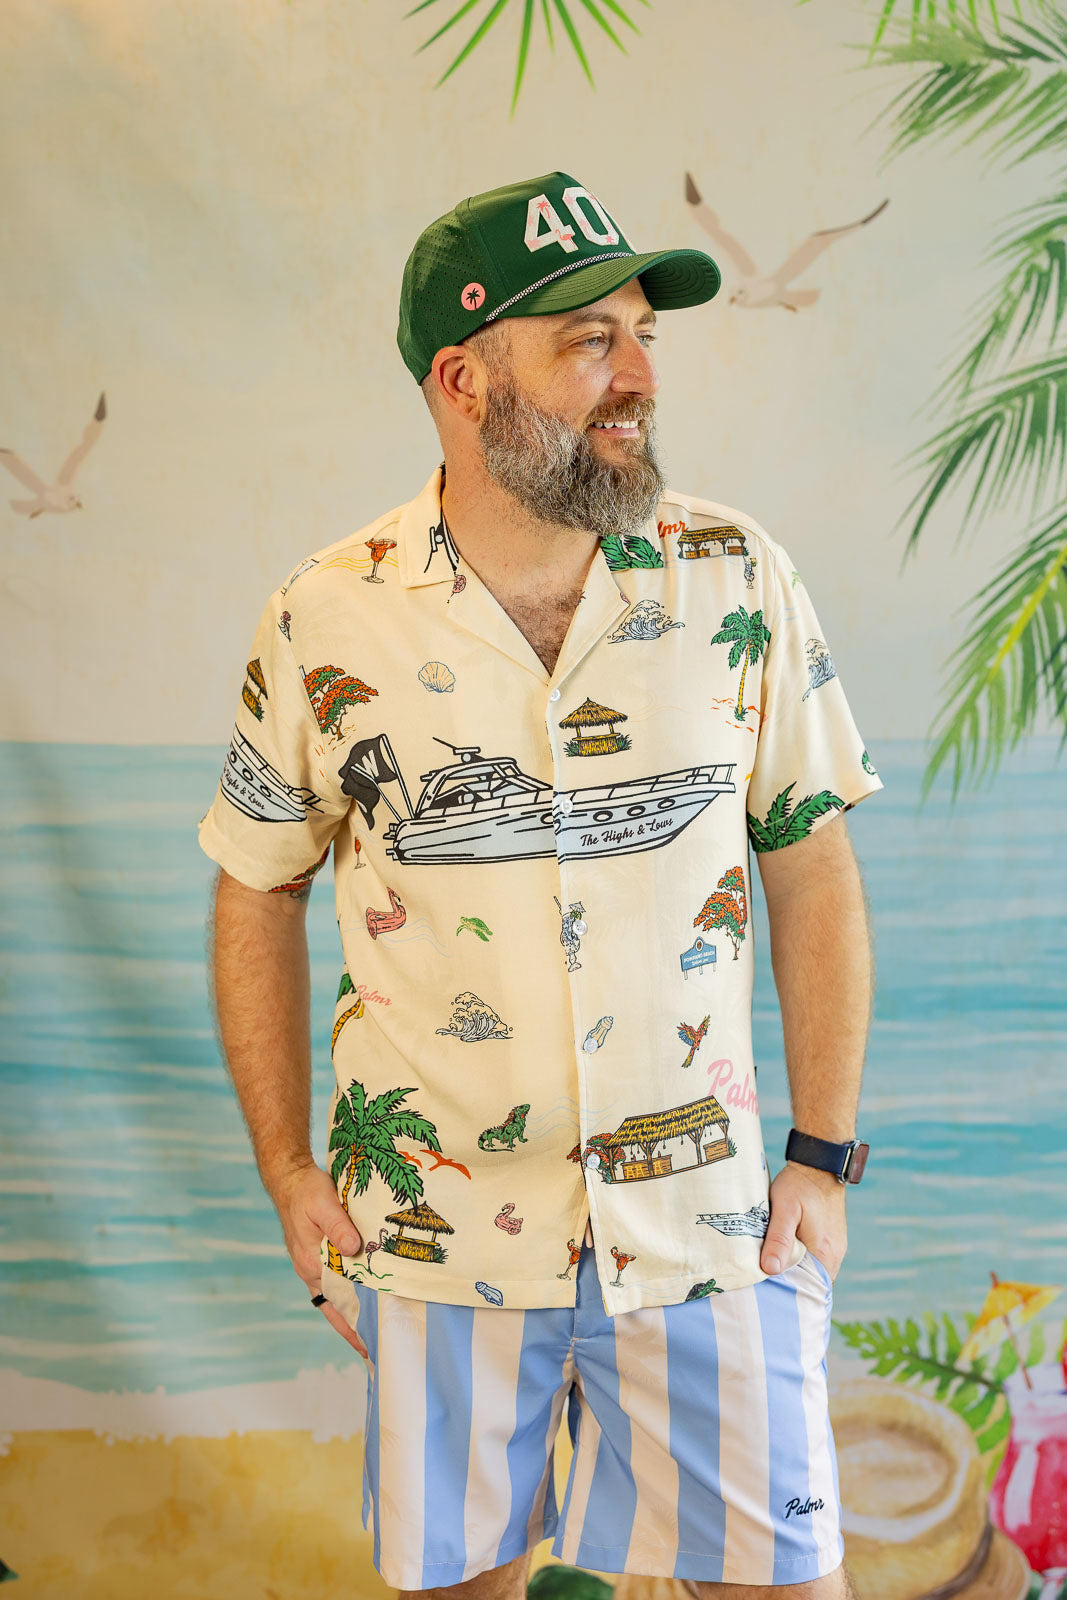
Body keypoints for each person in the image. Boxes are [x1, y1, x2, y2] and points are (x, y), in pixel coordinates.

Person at [199, 171, 881, 1600]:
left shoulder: (734, 577)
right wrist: (285, 1170)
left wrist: (822, 1155)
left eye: (641, 334)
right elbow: (255, 886)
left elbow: (811, 860)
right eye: (588, 340)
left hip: (709, 1227)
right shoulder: (325, 614)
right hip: (439, 1244)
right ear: (463, 377)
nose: (637, 375)